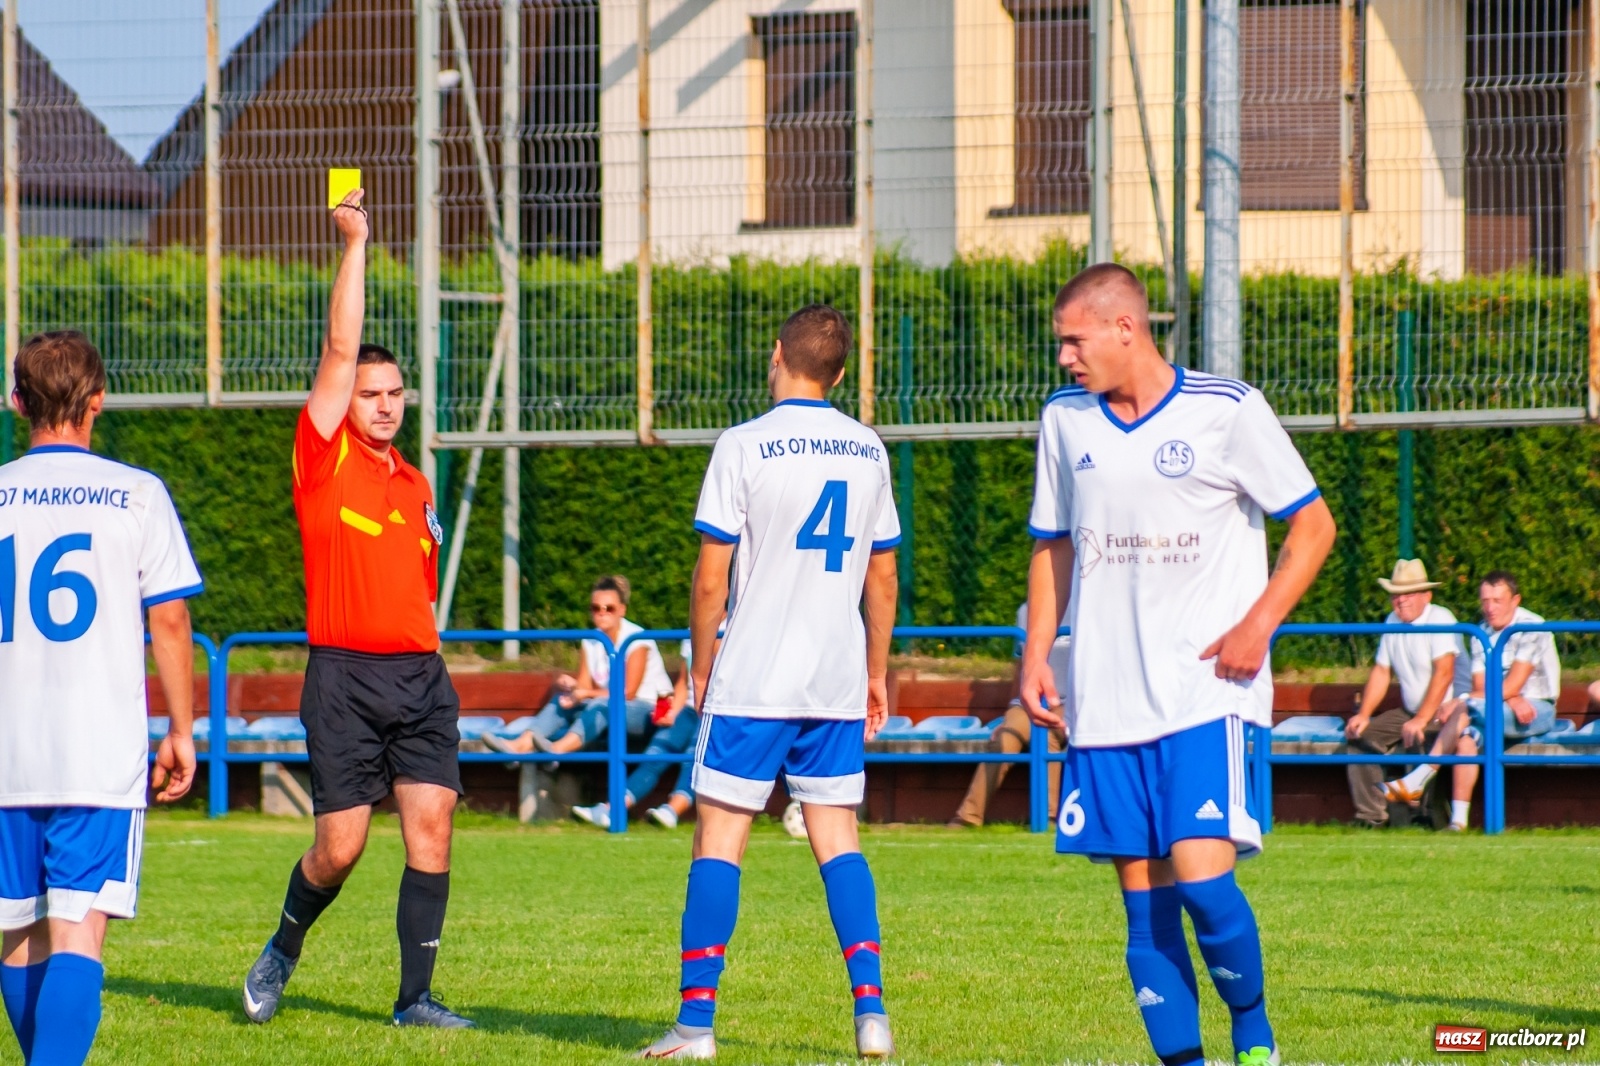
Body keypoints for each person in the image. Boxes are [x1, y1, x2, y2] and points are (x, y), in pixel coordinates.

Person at [1020, 264, 1336, 1066]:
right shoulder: (1065, 420)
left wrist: (1257, 625)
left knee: (1203, 884)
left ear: (1126, 328)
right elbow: (1051, 544)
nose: (1065, 359)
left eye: (1073, 340)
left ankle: (1253, 1029)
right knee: (1145, 911)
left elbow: (1313, 527)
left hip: (1205, 691)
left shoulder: (1225, 411)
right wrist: (1036, 657)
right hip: (1105, 703)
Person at [638, 304, 901, 1060]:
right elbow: (882, 578)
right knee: (838, 843)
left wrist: (700, 659)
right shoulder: (869, 451)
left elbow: (710, 576)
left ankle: (695, 1027)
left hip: (754, 677)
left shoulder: (743, 444)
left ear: (776, 354)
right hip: (834, 680)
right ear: (842, 374)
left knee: (718, 842)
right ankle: (871, 1014)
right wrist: (875, 672)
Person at [242, 188, 473, 1028]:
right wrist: (354, 242)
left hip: (419, 679)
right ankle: (283, 948)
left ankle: (416, 1001)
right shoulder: (323, 457)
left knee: (433, 831)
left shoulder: (415, 485)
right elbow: (340, 347)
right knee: (340, 848)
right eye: (371, 392)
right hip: (342, 680)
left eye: (395, 392)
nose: (383, 403)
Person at [0, 330, 203, 1066]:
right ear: (99, 400)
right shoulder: (138, 494)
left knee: (18, 935)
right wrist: (182, 730)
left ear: (17, 401)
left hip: (5, 751)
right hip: (95, 751)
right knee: (78, 930)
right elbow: (171, 619)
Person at [1384, 570, 1560, 830]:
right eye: (1485, 600)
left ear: (1515, 600)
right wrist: (1510, 698)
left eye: (1497, 601)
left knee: (1466, 705)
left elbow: (1509, 684)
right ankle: (1458, 822)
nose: (1489, 608)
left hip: (1536, 709)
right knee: (1466, 740)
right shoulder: (1480, 632)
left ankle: (1420, 777)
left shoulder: (1532, 626)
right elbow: (1483, 687)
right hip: (1498, 707)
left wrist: (1464, 699)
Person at [485, 575, 673, 758]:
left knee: (600, 705)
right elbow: (584, 688)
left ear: (622, 610)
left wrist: (586, 694)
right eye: (596, 607)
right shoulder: (591, 640)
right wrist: (573, 687)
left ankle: (556, 751)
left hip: (646, 711)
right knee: (563, 701)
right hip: (610, 708)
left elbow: (629, 693)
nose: (602, 612)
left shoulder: (636, 639)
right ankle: (520, 745)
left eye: (609, 608)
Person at [1342, 560, 1462, 828]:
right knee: (1360, 738)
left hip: (1448, 710)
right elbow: (1382, 671)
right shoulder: (1391, 621)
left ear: (1426, 596)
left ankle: (1426, 817)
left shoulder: (1441, 619)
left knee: (1423, 736)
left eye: (1409, 593)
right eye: (1396, 594)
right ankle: (1371, 817)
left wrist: (1421, 718)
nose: (1401, 600)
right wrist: (1364, 714)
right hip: (1411, 710)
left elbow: (1445, 673)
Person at [947, 602, 1069, 828]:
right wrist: (1009, 712)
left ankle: (1048, 818)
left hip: (1072, 703)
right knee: (1006, 736)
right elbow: (1020, 665)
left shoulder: (1088, 604)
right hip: (1029, 702)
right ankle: (967, 818)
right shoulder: (1025, 610)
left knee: (1048, 733)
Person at [571, 639, 699, 829]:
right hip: (688, 708)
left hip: (722, 710)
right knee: (656, 752)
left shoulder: (734, 624)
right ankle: (612, 809)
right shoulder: (690, 634)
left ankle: (672, 811)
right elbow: (683, 682)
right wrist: (672, 713)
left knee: (694, 755)